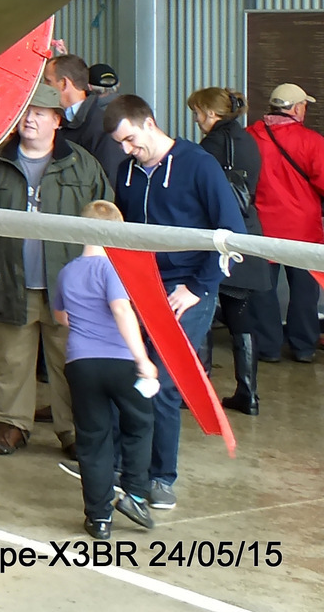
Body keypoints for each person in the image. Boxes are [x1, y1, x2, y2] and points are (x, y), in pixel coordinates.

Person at [105, 93, 246, 511]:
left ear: (149, 122)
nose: (129, 150)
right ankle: (117, 466)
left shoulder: (198, 164)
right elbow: (123, 231)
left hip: (188, 289)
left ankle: (161, 477)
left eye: (131, 139)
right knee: (129, 371)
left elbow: (231, 234)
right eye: (121, 145)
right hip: (140, 287)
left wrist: (199, 288)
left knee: (164, 382)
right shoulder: (128, 171)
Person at [0, 83, 111, 457]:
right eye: (25, 111)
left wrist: (93, 275)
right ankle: (11, 424)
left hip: (68, 285)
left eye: (40, 113)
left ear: (57, 120)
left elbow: (106, 220)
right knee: (11, 358)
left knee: (70, 358)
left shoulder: (83, 164)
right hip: (9, 281)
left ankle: (73, 429)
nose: (29, 119)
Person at [51, 198, 157, 539]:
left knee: (92, 439)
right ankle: (136, 494)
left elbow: (61, 317)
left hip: (80, 363)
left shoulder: (67, 272)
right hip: (121, 361)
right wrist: (142, 359)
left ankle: (98, 518)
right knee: (140, 423)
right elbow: (122, 311)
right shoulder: (113, 268)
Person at [187, 87, 276, 414]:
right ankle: (248, 394)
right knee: (241, 317)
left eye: (197, 112)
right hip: (247, 235)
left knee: (204, 314)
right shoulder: (249, 142)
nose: (196, 119)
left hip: (216, 239)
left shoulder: (210, 147)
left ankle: (199, 391)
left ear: (212, 113)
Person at [247, 83, 324, 364]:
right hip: (303, 229)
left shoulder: (250, 137)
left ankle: (267, 348)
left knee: (263, 291)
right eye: (304, 106)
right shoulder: (312, 141)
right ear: (296, 108)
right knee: (305, 290)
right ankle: (304, 347)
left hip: (263, 227)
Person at [45, 54, 124, 181]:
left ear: (64, 83)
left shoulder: (101, 126)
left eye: (48, 81)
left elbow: (110, 180)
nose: (43, 87)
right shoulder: (63, 120)